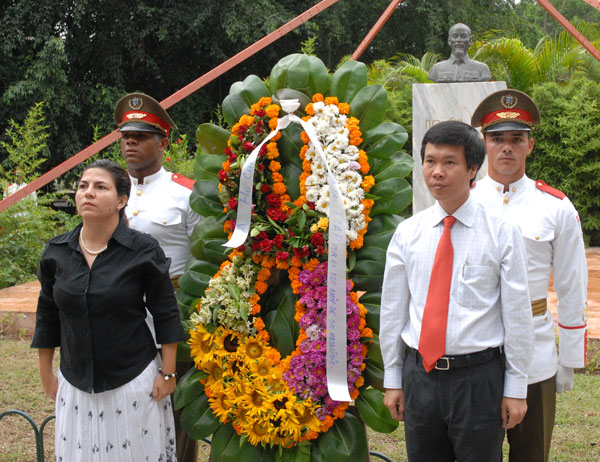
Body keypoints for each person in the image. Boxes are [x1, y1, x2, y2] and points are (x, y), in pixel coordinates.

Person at [381, 120, 534, 461]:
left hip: (478, 381)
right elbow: (393, 311)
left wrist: (516, 389)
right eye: (430, 161)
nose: (437, 172)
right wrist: (393, 378)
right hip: (420, 378)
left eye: (449, 162)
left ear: (473, 169)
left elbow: (518, 317)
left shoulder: (502, 234)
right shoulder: (407, 234)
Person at [31, 159, 185, 461]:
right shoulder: (57, 252)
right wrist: (46, 373)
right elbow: (48, 313)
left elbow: (165, 311)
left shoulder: (143, 251)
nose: (88, 193)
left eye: (100, 187)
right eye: (82, 186)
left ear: (121, 200)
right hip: (75, 382)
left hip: (132, 381)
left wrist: (168, 373)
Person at [471, 89, 588, 462]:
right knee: (476, 453)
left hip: (536, 349)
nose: (507, 147)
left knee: (531, 453)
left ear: (530, 145)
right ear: (484, 145)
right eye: (497, 139)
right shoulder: (464, 200)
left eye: (516, 139)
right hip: (477, 349)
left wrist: (568, 358)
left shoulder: (554, 207)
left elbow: (572, 284)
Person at [114, 92, 201, 462]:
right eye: (126, 136)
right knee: (121, 413)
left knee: (174, 415)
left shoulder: (187, 193)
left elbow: (206, 259)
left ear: (163, 141)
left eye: (141, 135)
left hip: (172, 314)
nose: (130, 142)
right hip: (119, 318)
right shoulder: (107, 189)